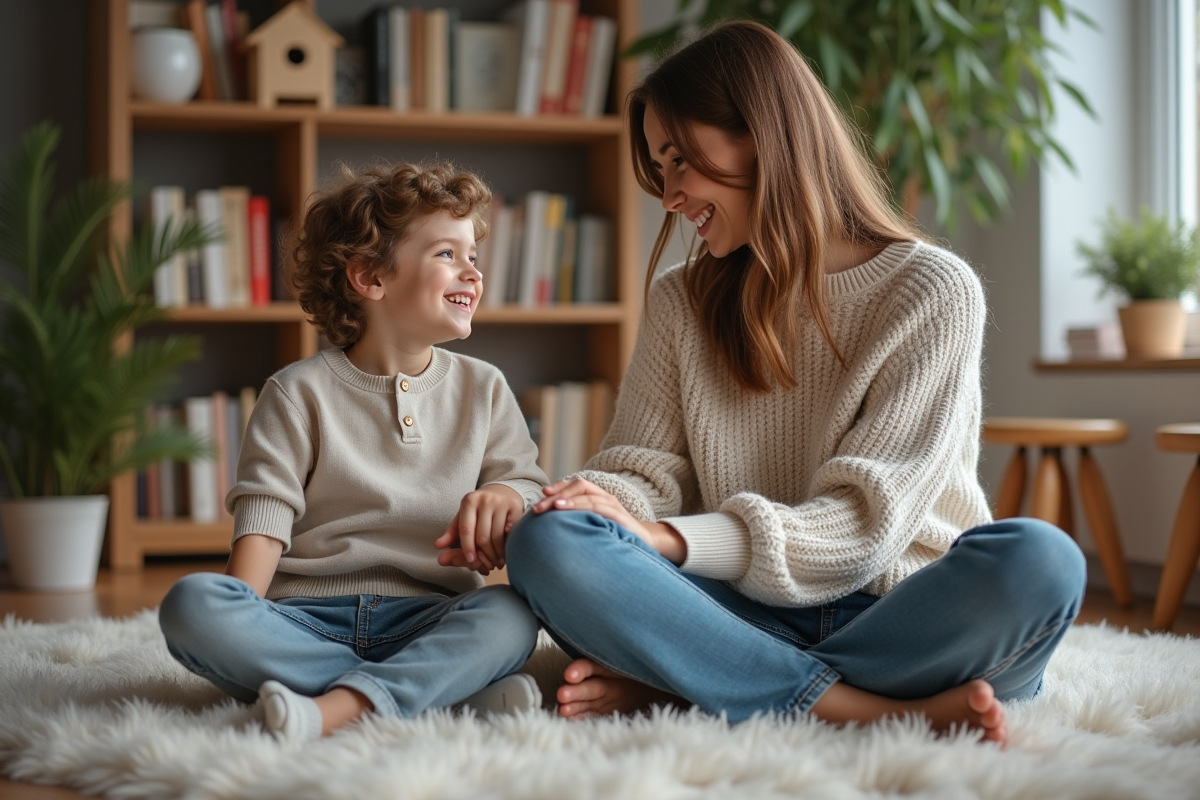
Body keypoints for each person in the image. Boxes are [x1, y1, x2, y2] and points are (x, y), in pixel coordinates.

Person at [504, 21, 1085, 748]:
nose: (669, 195)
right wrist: (576, 504)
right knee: (547, 543)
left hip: (899, 609)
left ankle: (698, 685)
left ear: (762, 136)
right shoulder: (681, 299)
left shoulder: (932, 290)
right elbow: (642, 472)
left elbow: (863, 526)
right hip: (739, 607)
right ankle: (852, 707)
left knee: (1041, 561)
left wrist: (663, 542)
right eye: (659, 167)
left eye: (679, 160)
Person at [159, 160, 549, 741]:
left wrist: (506, 494)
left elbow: (529, 486)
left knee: (511, 615)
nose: (472, 272)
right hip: (304, 621)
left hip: (430, 618)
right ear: (370, 277)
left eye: (473, 255)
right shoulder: (295, 393)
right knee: (191, 604)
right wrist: (235, 613)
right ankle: (435, 692)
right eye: (447, 254)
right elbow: (263, 520)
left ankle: (333, 706)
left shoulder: (485, 388)